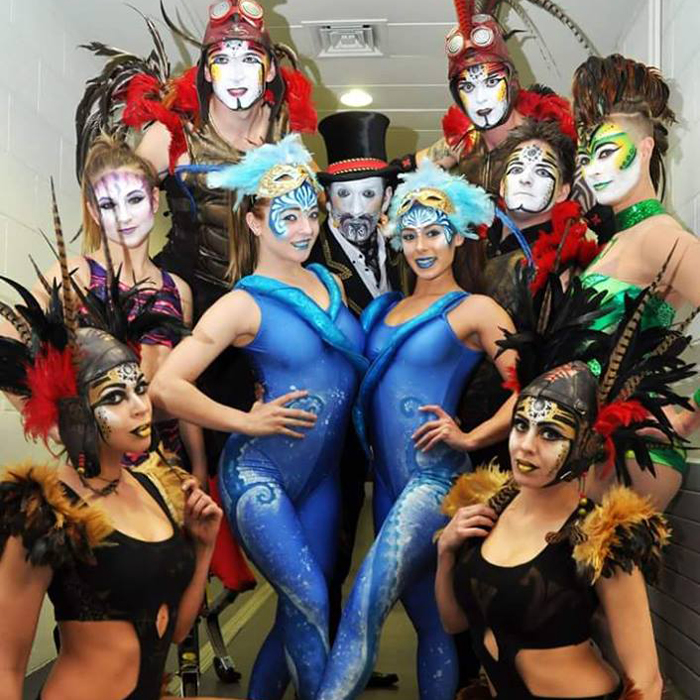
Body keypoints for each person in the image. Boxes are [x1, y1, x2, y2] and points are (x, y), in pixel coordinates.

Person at [149, 135, 367, 700]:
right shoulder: (242, 303)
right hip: (259, 475)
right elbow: (165, 387)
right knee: (311, 601)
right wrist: (244, 422)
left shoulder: (331, 284)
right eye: (287, 217)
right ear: (253, 222)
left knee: (299, 612)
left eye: (312, 214)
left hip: (320, 480)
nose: (304, 228)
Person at [0, 191, 230, 700]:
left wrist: (203, 545)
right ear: (76, 411)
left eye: (140, 388)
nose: (141, 407)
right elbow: (5, 666)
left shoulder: (155, 487)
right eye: (115, 397)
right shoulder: (44, 512)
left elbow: (173, 630)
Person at [434, 262, 693, 700]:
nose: (525, 446)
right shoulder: (488, 507)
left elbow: (647, 680)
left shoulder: (602, 536)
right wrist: (446, 551)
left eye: (550, 434)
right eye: (521, 426)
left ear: (585, 444)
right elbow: (454, 621)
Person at [315, 160, 517, 700]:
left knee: (362, 606)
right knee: (431, 621)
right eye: (409, 234)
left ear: (457, 236)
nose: (421, 246)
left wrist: (472, 438)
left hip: (435, 482)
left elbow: (531, 391)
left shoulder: (476, 310)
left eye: (433, 232)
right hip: (385, 485)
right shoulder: (384, 309)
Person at [28, 135, 205, 479]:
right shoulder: (78, 274)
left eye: (134, 199)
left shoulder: (177, 290)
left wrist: (198, 467)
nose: (124, 216)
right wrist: (49, 423)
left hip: (168, 469)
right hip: (102, 472)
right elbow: (9, 337)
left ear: (154, 199)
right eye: (109, 205)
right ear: (94, 212)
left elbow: (184, 386)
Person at [572, 53, 700, 509]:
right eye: (587, 157)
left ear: (644, 150)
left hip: (634, 454)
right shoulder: (614, 243)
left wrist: (687, 415)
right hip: (589, 446)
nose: (594, 169)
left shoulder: (661, 235)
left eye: (607, 152)